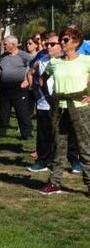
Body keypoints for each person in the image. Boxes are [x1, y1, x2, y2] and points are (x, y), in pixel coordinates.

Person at [38, 26, 90, 195]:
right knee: (58, 147)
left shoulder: (85, 60)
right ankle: (55, 182)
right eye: (61, 39)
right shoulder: (55, 62)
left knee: (85, 147)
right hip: (60, 109)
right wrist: (48, 96)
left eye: (65, 39)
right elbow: (42, 80)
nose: (61, 42)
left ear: (75, 42)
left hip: (80, 109)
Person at [27, 31, 82, 173]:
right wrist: (36, 91)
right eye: (47, 44)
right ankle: (42, 161)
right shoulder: (42, 60)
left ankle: (75, 161)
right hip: (45, 103)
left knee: (69, 133)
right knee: (44, 133)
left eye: (52, 44)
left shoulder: (69, 60)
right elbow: (31, 73)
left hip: (65, 103)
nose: (48, 46)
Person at [0, 36, 33, 139]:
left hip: (19, 88)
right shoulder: (2, 57)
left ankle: (27, 134)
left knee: (22, 113)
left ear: (13, 45)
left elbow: (35, 66)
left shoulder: (24, 56)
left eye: (5, 44)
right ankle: (0, 133)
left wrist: (27, 81)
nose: (4, 46)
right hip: (5, 89)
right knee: (3, 112)